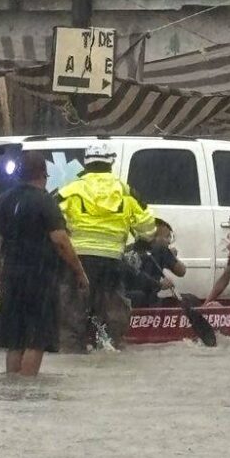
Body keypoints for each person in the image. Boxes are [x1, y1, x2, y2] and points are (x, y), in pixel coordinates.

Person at [0, 149, 89, 376]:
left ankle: (12, 387)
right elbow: (61, 241)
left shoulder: (2, 200)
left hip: (11, 276)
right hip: (39, 278)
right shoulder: (45, 202)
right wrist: (79, 272)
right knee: (36, 338)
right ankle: (27, 389)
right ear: (43, 174)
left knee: (15, 339)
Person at [58, 141, 156, 345]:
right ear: (110, 163)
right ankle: (113, 349)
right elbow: (147, 224)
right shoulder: (125, 191)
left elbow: (52, 219)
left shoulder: (70, 190)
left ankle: (72, 353)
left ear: (86, 164)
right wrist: (143, 241)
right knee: (114, 314)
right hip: (111, 262)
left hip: (79, 260)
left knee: (72, 314)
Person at [123, 219, 186, 308]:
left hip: (122, 300)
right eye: (167, 236)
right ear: (153, 237)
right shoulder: (162, 250)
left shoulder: (127, 250)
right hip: (146, 302)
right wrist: (172, 256)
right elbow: (181, 271)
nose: (169, 241)